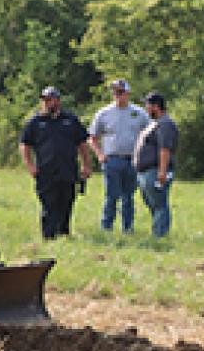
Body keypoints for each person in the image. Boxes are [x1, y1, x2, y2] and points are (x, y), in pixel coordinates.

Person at [19, 86, 92, 239]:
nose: (48, 103)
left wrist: (86, 164)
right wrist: (30, 166)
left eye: (51, 100)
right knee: (48, 204)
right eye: (45, 100)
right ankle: (48, 235)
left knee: (67, 203)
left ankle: (64, 233)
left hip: (68, 170)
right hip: (45, 171)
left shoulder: (70, 120)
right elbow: (25, 145)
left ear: (58, 101)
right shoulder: (35, 122)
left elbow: (82, 143)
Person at [88, 78, 150, 233]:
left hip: (133, 160)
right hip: (112, 160)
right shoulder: (104, 113)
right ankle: (106, 227)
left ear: (128, 93)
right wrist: (100, 155)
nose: (118, 95)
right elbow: (92, 137)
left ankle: (127, 228)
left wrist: (145, 156)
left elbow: (150, 134)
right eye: (115, 92)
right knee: (111, 196)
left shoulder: (139, 113)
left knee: (128, 197)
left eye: (121, 92)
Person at [134, 92, 179, 237]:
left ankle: (160, 234)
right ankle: (157, 230)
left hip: (155, 170)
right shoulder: (154, 124)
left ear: (155, 106)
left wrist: (162, 171)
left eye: (147, 105)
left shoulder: (165, 124)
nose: (145, 108)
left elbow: (164, 149)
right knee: (152, 203)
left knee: (159, 203)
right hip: (146, 171)